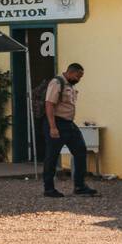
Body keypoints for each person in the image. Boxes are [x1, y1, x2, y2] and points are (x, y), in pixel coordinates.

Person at [42, 62, 98, 198]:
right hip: (57, 123)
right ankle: (49, 189)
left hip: (69, 124)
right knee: (52, 156)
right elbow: (49, 105)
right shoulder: (57, 83)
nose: (79, 79)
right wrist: (53, 127)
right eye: (78, 76)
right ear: (71, 72)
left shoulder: (70, 86)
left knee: (80, 151)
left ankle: (79, 186)